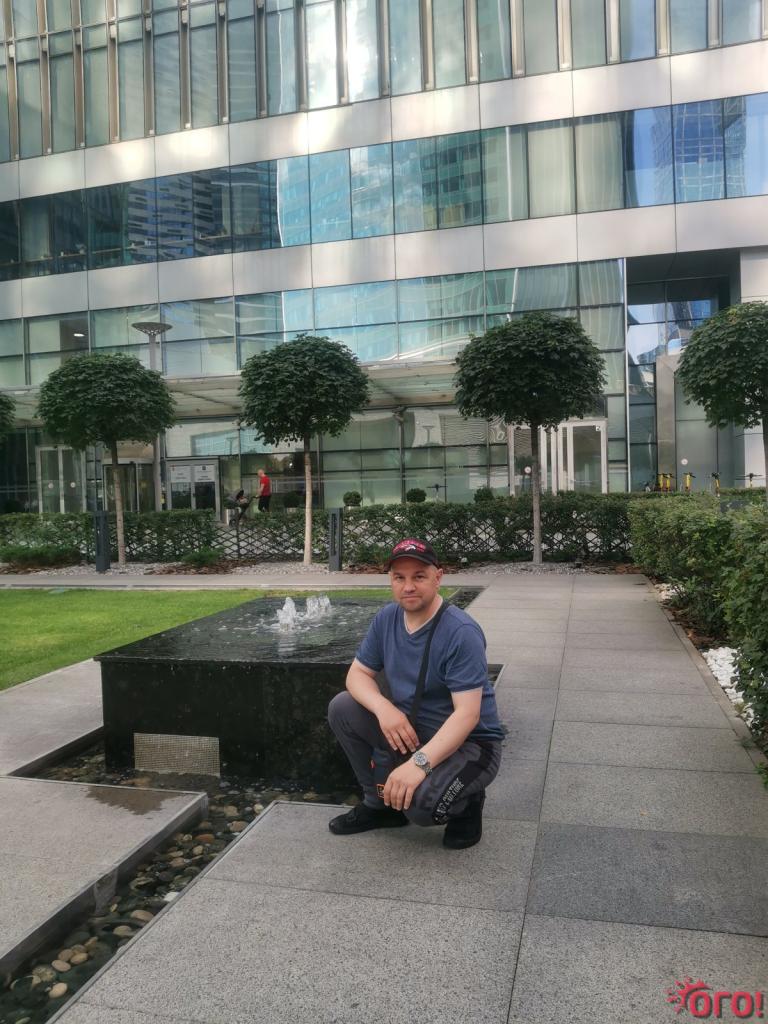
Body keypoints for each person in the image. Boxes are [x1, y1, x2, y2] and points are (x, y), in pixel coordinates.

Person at [327, 538, 504, 850]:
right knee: (342, 707)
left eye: (419, 576)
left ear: (438, 577)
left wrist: (418, 765)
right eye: (399, 577)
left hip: (472, 746)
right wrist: (384, 709)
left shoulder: (461, 632)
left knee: (420, 806)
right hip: (413, 731)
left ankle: (469, 802)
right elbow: (357, 675)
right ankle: (379, 807)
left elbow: (468, 715)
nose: (408, 587)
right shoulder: (386, 619)